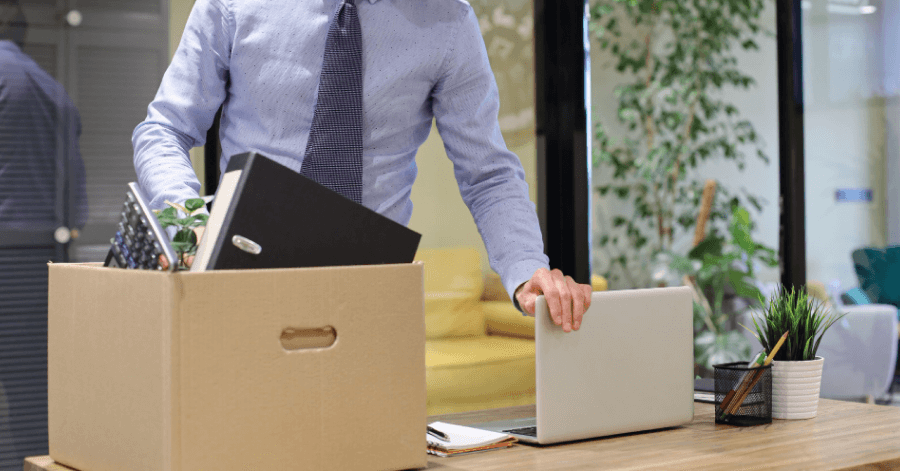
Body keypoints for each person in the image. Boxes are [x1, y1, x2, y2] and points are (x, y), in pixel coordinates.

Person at [133, 0, 591, 331]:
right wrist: (191, 221)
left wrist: (526, 266)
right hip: (241, 279)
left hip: (373, 294)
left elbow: (488, 173)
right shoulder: (233, 4)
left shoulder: (447, 21)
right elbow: (165, 130)